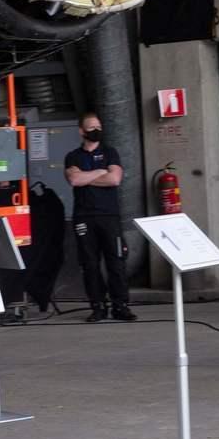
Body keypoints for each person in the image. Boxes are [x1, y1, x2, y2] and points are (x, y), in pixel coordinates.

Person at [64, 111, 135, 322]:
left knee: (116, 262)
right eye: (91, 127)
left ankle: (120, 306)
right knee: (90, 264)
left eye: (99, 127)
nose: (96, 131)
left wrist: (89, 176)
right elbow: (75, 180)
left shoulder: (110, 152)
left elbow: (114, 179)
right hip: (84, 217)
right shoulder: (73, 156)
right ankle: (98, 306)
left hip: (109, 216)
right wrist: (99, 172)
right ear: (81, 131)